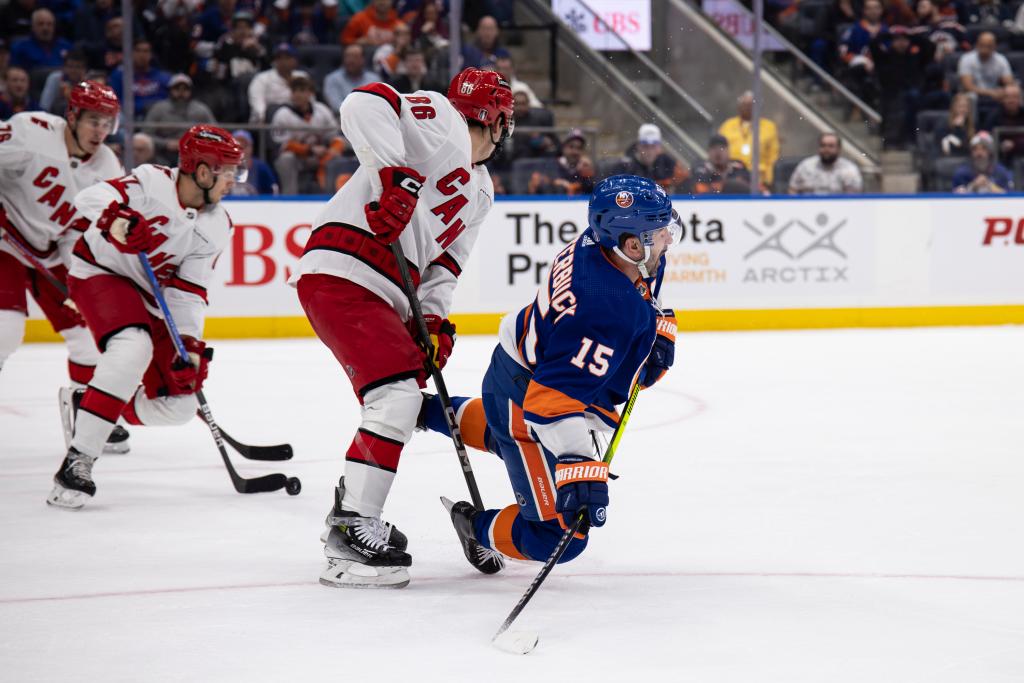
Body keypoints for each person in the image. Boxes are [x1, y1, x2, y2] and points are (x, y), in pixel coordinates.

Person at [292, 67, 514, 589]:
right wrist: (392, 173)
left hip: (388, 291)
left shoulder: (482, 193)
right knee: (394, 396)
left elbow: (445, 267)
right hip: (346, 268)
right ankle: (349, 531)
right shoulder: (441, 118)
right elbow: (363, 104)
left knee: (401, 396)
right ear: (499, 120)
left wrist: (431, 323)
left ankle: (353, 504)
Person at [418, 175, 679, 573]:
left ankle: (422, 411)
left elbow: (646, 289)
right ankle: (475, 528)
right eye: (660, 233)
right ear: (631, 244)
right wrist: (574, 463)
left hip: (521, 370)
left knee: (502, 433)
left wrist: (655, 321)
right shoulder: (605, 308)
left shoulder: (606, 248)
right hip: (530, 396)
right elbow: (550, 403)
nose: (668, 240)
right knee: (559, 536)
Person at [48, 125, 245, 509]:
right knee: (131, 346)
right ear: (203, 172)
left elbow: (188, 291)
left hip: (154, 300)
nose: (232, 182)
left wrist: (187, 346)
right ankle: (77, 462)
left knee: (180, 406)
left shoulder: (218, 225)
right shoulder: (152, 182)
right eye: (228, 173)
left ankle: (89, 404)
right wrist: (118, 221)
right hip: (101, 273)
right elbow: (90, 197)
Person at [0, 81, 129, 452]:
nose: (100, 131)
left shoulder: (106, 165)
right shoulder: (32, 132)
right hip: (5, 240)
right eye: (93, 121)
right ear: (71, 117)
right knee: (5, 329)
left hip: (52, 251)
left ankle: (87, 421)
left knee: (88, 338)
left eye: (107, 123)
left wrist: (78, 277)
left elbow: (83, 228)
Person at [270, 72, 341, 193]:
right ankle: (289, 199)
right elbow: (283, 145)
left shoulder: (321, 110)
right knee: (286, 159)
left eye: (302, 90)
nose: (298, 94)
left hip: (320, 157)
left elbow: (336, 138)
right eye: (294, 91)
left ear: (310, 93)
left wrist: (333, 150)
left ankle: (332, 197)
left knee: (337, 156)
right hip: (297, 159)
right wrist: (310, 149)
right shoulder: (283, 114)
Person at [144, 74, 217, 165]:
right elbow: (146, 135)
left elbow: (215, 133)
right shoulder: (159, 109)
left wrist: (197, 143)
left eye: (185, 89)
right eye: (177, 88)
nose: (181, 93)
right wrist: (166, 144)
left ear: (191, 91)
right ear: (170, 90)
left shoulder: (201, 110)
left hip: (195, 153)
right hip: (164, 153)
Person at [718, 90, 780, 187]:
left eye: (751, 105)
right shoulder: (727, 125)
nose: (748, 108)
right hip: (731, 177)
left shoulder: (769, 126)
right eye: (745, 104)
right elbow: (719, 150)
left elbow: (773, 158)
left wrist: (767, 181)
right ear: (739, 106)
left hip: (758, 178)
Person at [958, 31, 1015, 130]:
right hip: (974, 95)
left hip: (994, 96)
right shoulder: (967, 59)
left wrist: (1004, 91)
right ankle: (973, 129)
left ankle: (1004, 129)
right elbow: (968, 86)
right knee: (971, 97)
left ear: (994, 46)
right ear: (977, 44)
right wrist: (990, 93)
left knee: (1012, 94)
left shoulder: (1001, 60)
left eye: (989, 45)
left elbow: (1009, 83)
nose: (985, 48)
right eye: (982, 45)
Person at [615, 124, 689, 193]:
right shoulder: (626, 166)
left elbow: (687, 185)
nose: (650, 151)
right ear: (638, 146)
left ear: (659, 148)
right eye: (646, 146)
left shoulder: (669, 164)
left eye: (653, 146)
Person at [110, 39, 172, 119]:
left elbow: (167, 103)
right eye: (138, 50)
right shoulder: (119, 76)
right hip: (128, 119)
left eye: (146, 51)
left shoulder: (163, 78)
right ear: (131, 53)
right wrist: (141, 107)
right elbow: (116, 101)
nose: (142, 55)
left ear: (151, 55)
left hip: (157, 120)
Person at [788, 132, 864, 194]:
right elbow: (792, 190)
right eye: (823, 145)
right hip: (807, 209)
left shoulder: (850, 169)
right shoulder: (805, 166)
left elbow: (853, 198)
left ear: (839, 149)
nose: (826, 149)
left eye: (831, 146)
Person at [528, 128, 596, 195]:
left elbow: (592, 194)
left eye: (579, 148)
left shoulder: (586, 169)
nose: (575, 152)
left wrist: (588, 176)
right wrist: (556, 184)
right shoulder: (551, 165)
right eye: (571, 147)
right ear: (563, 147)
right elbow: (537, 189)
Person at [248, 42, 299, 122]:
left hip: (296, 121)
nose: (283, 61)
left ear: (295, 61)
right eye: (279, 58)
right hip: (268, 122)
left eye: (287, 58)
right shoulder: (262, 78)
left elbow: (310, 103)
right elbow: (258, 105)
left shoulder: (302, 77)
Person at [685, 134, 751, 195]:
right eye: (714, 148)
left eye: (722, 148)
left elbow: (749, 188)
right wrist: (729, 185)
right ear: (708, 152)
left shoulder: (738, 166)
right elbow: (700, 190)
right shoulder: (701, 167)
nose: (718, 152)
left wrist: (721, 186)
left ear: (728, 151)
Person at [324, 43, 378, 111]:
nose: (351, 60)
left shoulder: (374, 79)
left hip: (369, 118)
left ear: (363, 60)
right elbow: (336, 105)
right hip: (341, 119)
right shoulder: (332, 79)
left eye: (355, 57)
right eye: (348, 56)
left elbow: (377, 103)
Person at [39, 48, 88, 114]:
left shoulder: (89, 83)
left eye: (78, 67)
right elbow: (44, 106)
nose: (74, 70)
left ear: (84, 70)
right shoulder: (55, 78)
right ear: (64, 68)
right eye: (70, 66)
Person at [230, 129, 279, 195]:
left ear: (251, 148)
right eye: (237, 147)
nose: (240, 150)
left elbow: (273, 191)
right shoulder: (224, 168)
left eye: (244, 146)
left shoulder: (261, 168)